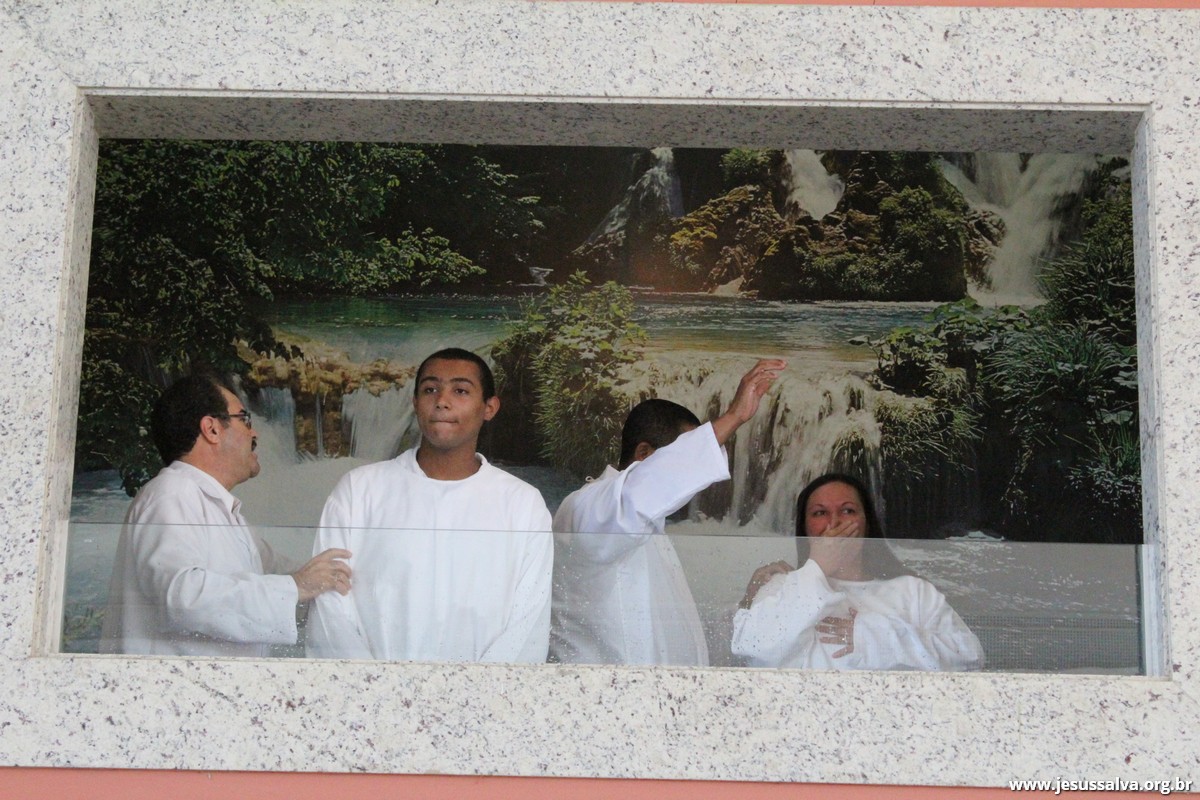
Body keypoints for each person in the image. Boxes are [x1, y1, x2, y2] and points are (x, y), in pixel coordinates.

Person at [306, 348, 553, 663]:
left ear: (489, 408)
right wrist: (371, 684)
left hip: (485, 690)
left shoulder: (522, 502)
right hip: (370, 687)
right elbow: (330, 602)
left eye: (460, 391)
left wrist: (484, 689)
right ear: (415, 403)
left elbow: (528, 620)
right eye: (430, 389)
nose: (442, 401)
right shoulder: (360, 489)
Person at [551, 358, 786, 666]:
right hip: (601, 690)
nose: (691, 479)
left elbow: (673, 630)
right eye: (681, 453)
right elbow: (642, 491)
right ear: (644, 453)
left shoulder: (647, 526)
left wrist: (748, 602)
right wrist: (733, 417)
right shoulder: (588, 507)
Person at [100, 373, 353, 657]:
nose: (255, 434)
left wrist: (340, 579)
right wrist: (297, 585)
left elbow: (278, 571)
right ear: (211, 430)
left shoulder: (221, 510)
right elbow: (182, 596)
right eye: (245, 419)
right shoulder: (170, 493)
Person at [730, 473, 983, 671]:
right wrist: (817, 568)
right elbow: (752, 651)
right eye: (820, 513)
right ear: (805, 528)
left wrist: (872, 635)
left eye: (847, 510)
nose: (834, 522)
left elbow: (970, 658)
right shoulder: (781, 586)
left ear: (866, 522)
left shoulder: (914, 592)